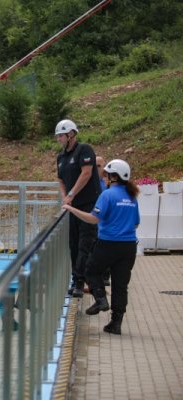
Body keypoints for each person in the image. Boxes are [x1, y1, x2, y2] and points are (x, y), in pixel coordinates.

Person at [62, 159, 140, 334]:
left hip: (108, 244)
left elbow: (93, 219)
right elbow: (135, 224)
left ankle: (100, 299)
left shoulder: (107, 195)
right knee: (120, 285)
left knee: (90, 270)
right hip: (128, 247)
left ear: (114, 177)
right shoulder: (132, 197)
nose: (104, 177)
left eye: (106, 174)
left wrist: (71, 209)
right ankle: (116, 323)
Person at [55, 119, 101, 298]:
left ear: (71, 134)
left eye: (61, 135)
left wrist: (71, 195)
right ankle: (78, 281)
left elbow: (87, 173)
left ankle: (81, 282)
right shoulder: (61, 157)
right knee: (73, 244)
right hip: (72, 207)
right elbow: (60, 181)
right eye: (58, 136)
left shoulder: (84, 150)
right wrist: (64, 198)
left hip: (88, 205)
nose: (58, 139)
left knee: (85, 244)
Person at [96, 155, 111, 286]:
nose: (97, 169)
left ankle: (106, 275)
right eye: (95, 166)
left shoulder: (109, 182)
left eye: (99, 166)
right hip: (93, 218)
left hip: (105, 220)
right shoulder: (88, 181)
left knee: (106, 248)